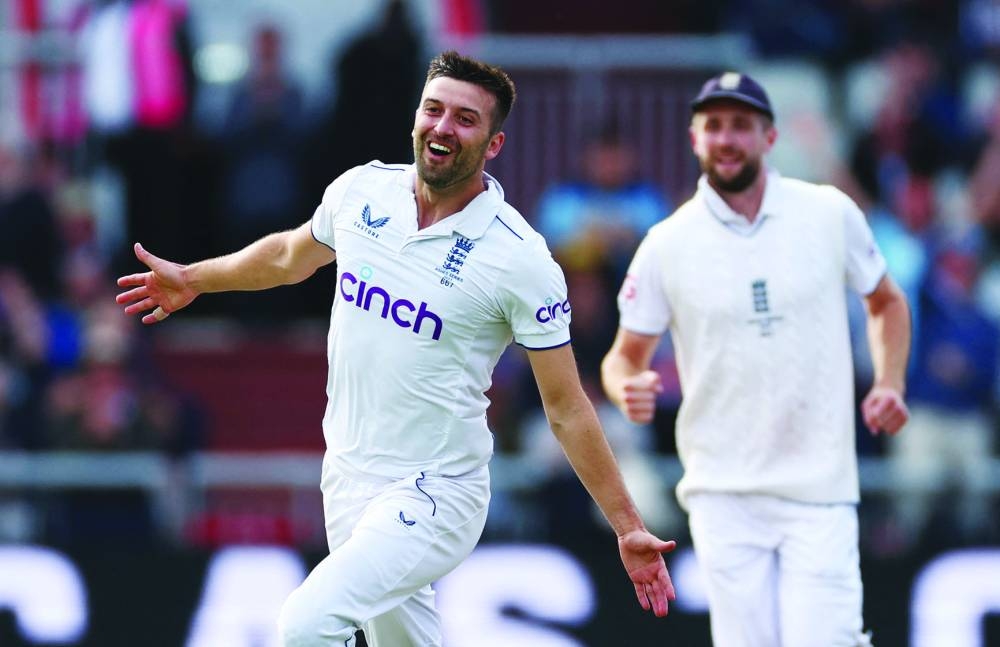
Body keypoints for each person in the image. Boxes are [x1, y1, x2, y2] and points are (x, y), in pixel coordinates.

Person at [116, 50, 676, 646]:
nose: (442, 127)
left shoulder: (521, 258)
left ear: (493, 145)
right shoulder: (362, 191)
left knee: (306, 625)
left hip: (437, 491)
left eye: (465, 119)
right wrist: (196, 278)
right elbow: (287, 256)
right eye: (433, 110)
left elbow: (565, 407)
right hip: (349, 476)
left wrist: (626, 525)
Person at [601, 72, 911, 647]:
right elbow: (622, 358)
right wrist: (628, 388)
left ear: (769, 137)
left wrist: (889, 380)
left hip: (820, 485)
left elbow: (887, 302)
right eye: (713, 126)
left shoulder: (827, 212)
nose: (726, 138)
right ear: (694, 139)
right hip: (723, 490)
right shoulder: (667, 243)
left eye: (741, 125)